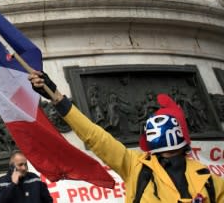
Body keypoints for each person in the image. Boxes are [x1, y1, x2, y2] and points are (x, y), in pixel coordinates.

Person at [28, 71, 224, 202]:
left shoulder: (210, 180)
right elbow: (96, 137)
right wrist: (56, 96)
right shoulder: (135, 166)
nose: (168, 153)